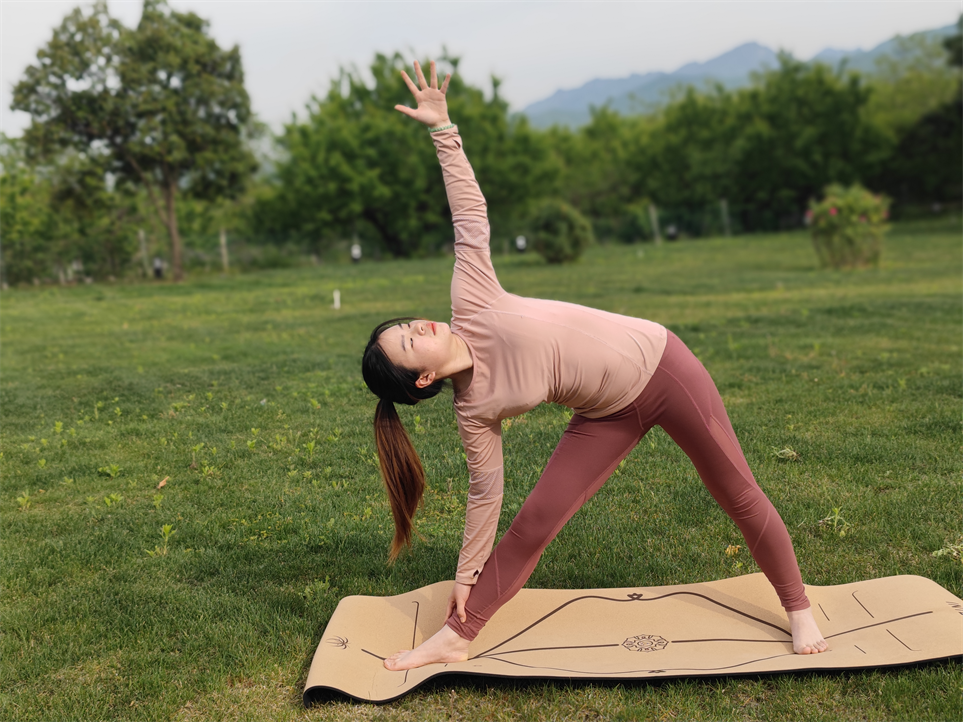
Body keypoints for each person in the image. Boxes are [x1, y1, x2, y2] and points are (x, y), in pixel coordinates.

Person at [361, 61, 828, 672]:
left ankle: (798, 607)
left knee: (734, 489)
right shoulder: (474, 409)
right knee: (534, 521)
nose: (418, 326)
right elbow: (486, 494)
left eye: (406, 324)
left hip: (664, 368)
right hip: (605, 414)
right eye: (407, 342)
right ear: (422, 379)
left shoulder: (471, 299)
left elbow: (469, 217)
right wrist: (467, 574)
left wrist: (443, 132)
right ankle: (458, 636)